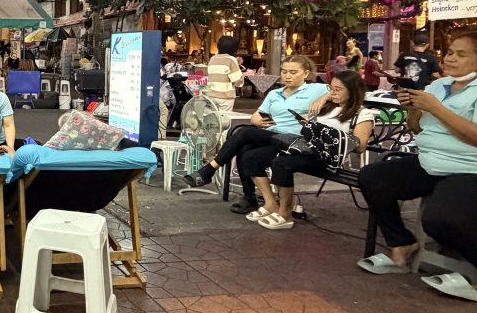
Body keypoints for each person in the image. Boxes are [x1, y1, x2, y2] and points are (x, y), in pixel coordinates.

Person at [356, 32, 477, 296]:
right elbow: (417, 128)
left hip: (467, 168)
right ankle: (401, 243)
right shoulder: (438, 86)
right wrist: (412, 107)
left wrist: (436, 108)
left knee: (439, 220)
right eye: (450, 52)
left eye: (461, 54)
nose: (451, 59)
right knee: (372, 177)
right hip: (427, 161)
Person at [183, 55, 329, 213]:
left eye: (293, 72)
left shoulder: (316, 89)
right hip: (272, 136)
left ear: (306, 73)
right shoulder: (275, 94)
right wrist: (258, 120)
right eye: (284, 72)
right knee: (246, 149)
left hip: (295, 140)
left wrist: (324, 98)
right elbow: (256, 116)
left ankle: (210, 170)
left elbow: (344, 88)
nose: (287, 76)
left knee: (244, 132)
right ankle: (256, 199)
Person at [248, 70, 376, 230]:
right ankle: (271, 203)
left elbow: (360, 147)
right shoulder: (328, 106)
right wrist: (322, 102)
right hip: (307, 148)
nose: (333, 93)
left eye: (338, 89)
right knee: (252, 156)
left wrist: (331, 135)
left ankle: (285, 213)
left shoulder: (362, 114)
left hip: (328, 157)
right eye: (331, 88)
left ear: (352, 91)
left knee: (281, 163)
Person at [204, 35, 244, 112]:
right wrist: (239, 68)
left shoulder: (213, 58)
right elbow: (237, 81)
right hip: (225, 97)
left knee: (213, 117)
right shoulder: (231, 59)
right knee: (225, 118)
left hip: (211, 95)